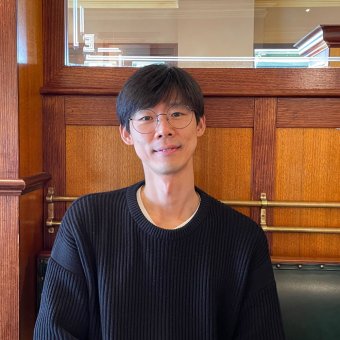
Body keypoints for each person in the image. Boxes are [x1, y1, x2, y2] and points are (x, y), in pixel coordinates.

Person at [34, 64, 285, 339]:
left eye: (177, 114)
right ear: (126, 134)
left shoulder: (243, 239)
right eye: (145, 117)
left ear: (200, 124)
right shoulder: (86, 222)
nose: (163, 129)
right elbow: (53, 332)